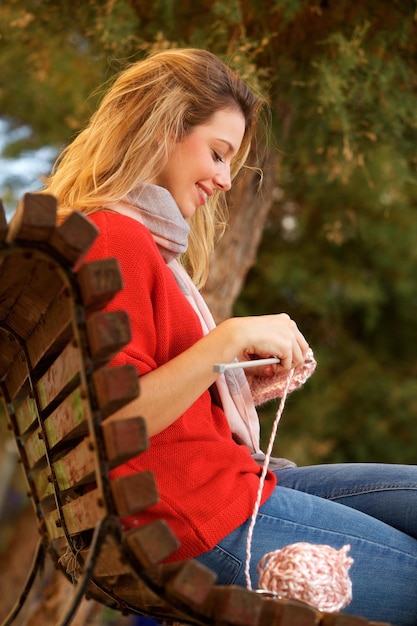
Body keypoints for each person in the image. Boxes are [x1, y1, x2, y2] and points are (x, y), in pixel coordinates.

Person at [42, 48, 417, 625]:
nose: (223, 179)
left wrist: (231, 371)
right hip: (191, 512)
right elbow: (111, 423)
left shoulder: (131, 243)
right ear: (165, 128)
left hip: (211, 488)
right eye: (217, 154)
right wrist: (224, 343)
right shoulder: (114, 238)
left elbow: (139, 391)